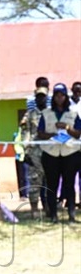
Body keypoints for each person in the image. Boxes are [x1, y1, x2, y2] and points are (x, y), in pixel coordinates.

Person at [37, 83, 81, 223]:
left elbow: (78, 133)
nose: (59, 98)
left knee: (69, 184)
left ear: (65, 96)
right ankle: (54, 215)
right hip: (51, 154)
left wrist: (67, 128)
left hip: (70, 153)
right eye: (57, 95)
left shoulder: (73, 114)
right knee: (52, 185)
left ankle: (71, 214)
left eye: (62, 95)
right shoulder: (46, 113)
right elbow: (40, 133)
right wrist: (51, 134)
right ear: (54, 97)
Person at [24, 85, 49, 218]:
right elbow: (25, 132)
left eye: (43, 96)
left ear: (47, 97)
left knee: (50, 181)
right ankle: (34, 210)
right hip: (34, 154)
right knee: (34, 182)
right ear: (35, 98)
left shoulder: (52, 113)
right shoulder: (30, 114)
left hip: (50, 153)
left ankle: (48, 208)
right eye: (38, 96)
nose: (41, 99)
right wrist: (26, 151)